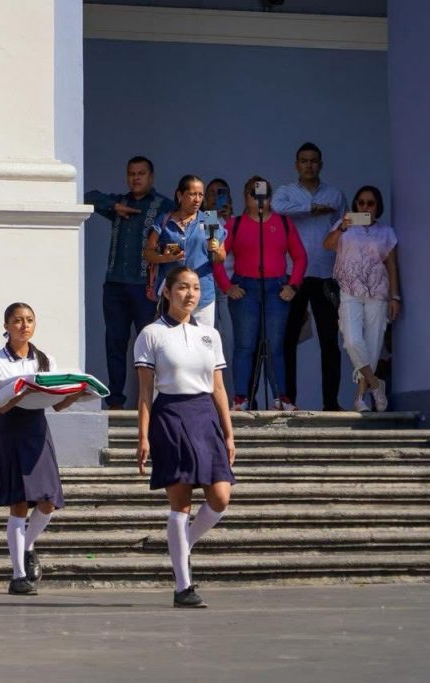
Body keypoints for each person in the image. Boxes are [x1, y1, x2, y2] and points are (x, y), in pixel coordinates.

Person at [134, 266, 235, 609]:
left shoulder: (210, 334)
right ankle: (183, 586)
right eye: (182, 287)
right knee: (181, 503)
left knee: (220, 497)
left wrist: (229, 433)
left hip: (205, 416)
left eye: (195, 288)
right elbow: (145, 392)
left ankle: (182, 545)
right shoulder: (151, 334)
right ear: (167, 291)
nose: (190, 294)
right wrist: (143, 435)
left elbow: (218, 388)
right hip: (170, 416)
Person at [0, 303, 81, 596]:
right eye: (17, 320)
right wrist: (20, 391)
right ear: (6, 326)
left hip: (37, 429)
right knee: (18, 503)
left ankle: (26, 546)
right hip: (11, 428)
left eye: (29, 320)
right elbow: (0, 405)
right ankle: (18, 575)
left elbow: (56, 404)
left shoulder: (45, 359)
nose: (24, 325)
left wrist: (76, 394)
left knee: (48, 501)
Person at [85, 156, 175, 409]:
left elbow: (180, 231)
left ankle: (153, 399)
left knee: (149, 343)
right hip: (115, 284)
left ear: (151, 177)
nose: (135, 178)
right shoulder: (120, 202)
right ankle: (115, 400)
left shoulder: (163, 206)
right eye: (131, 173)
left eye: (141, 173)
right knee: (115, 342)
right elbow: (87, 196)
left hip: (145, 286)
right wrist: (114, 206)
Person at [214, 176, 308, 411]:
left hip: (277, 289)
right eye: (254, 195)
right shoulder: (234, 224)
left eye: (264, 195)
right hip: (245, 289)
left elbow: (300, 257)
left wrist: (293, 285)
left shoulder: (283, 223)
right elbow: (216, 257)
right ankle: (241, 398)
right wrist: (227, 286)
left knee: (275, 346)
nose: (260, 200)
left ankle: (281, 397)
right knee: (244, 346)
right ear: (245, 197)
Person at [272, 142, 348, 410]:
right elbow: (276, 208)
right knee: (288, 340)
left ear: (321, 164)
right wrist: (312, 207)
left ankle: (331, 403)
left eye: (313, 161)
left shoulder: (335, 194)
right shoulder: (285, 192)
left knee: (329, 341)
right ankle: (289, 401)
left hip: (326, 275)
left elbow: (345, 228)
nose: (309, 165)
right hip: (294, 276)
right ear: (296, 165)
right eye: (304, 161)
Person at [323, 186, 401, 412]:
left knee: (372, 347)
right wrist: (342, 228)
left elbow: (391, 265)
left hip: (378, 293)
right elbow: (327, 245)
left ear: (378, 206)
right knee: (352, 341)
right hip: (349, 290)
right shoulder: (344, 226)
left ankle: (360, 399)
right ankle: (376, 385)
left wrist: (395, 296)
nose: (365, 207)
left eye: (370, 203)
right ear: (355, 204)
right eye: (361, 203)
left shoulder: (386, 232)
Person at [144, 175, 226, 326]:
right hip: (172, 296)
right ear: (180, 195)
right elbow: (148, 253)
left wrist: (216, 250)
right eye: (192, 194)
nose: (197, 199)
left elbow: (221, 257)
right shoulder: (165, 220)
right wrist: (165, 258)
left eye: (200, 195)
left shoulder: (209, 219)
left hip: (202, 296)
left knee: (201, 338)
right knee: (172, 337)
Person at [204, 178, 236, 400]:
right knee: (208, 341)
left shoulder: (235, 221)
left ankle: (232, 397)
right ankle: (209, 396)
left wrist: (229, 219)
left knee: (230, 343)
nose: (216, 197)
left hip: (230, 287)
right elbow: (212, 253)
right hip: (209, 286)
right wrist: (212, 215)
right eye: (212, 193)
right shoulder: (205, 219)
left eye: (221, 193)